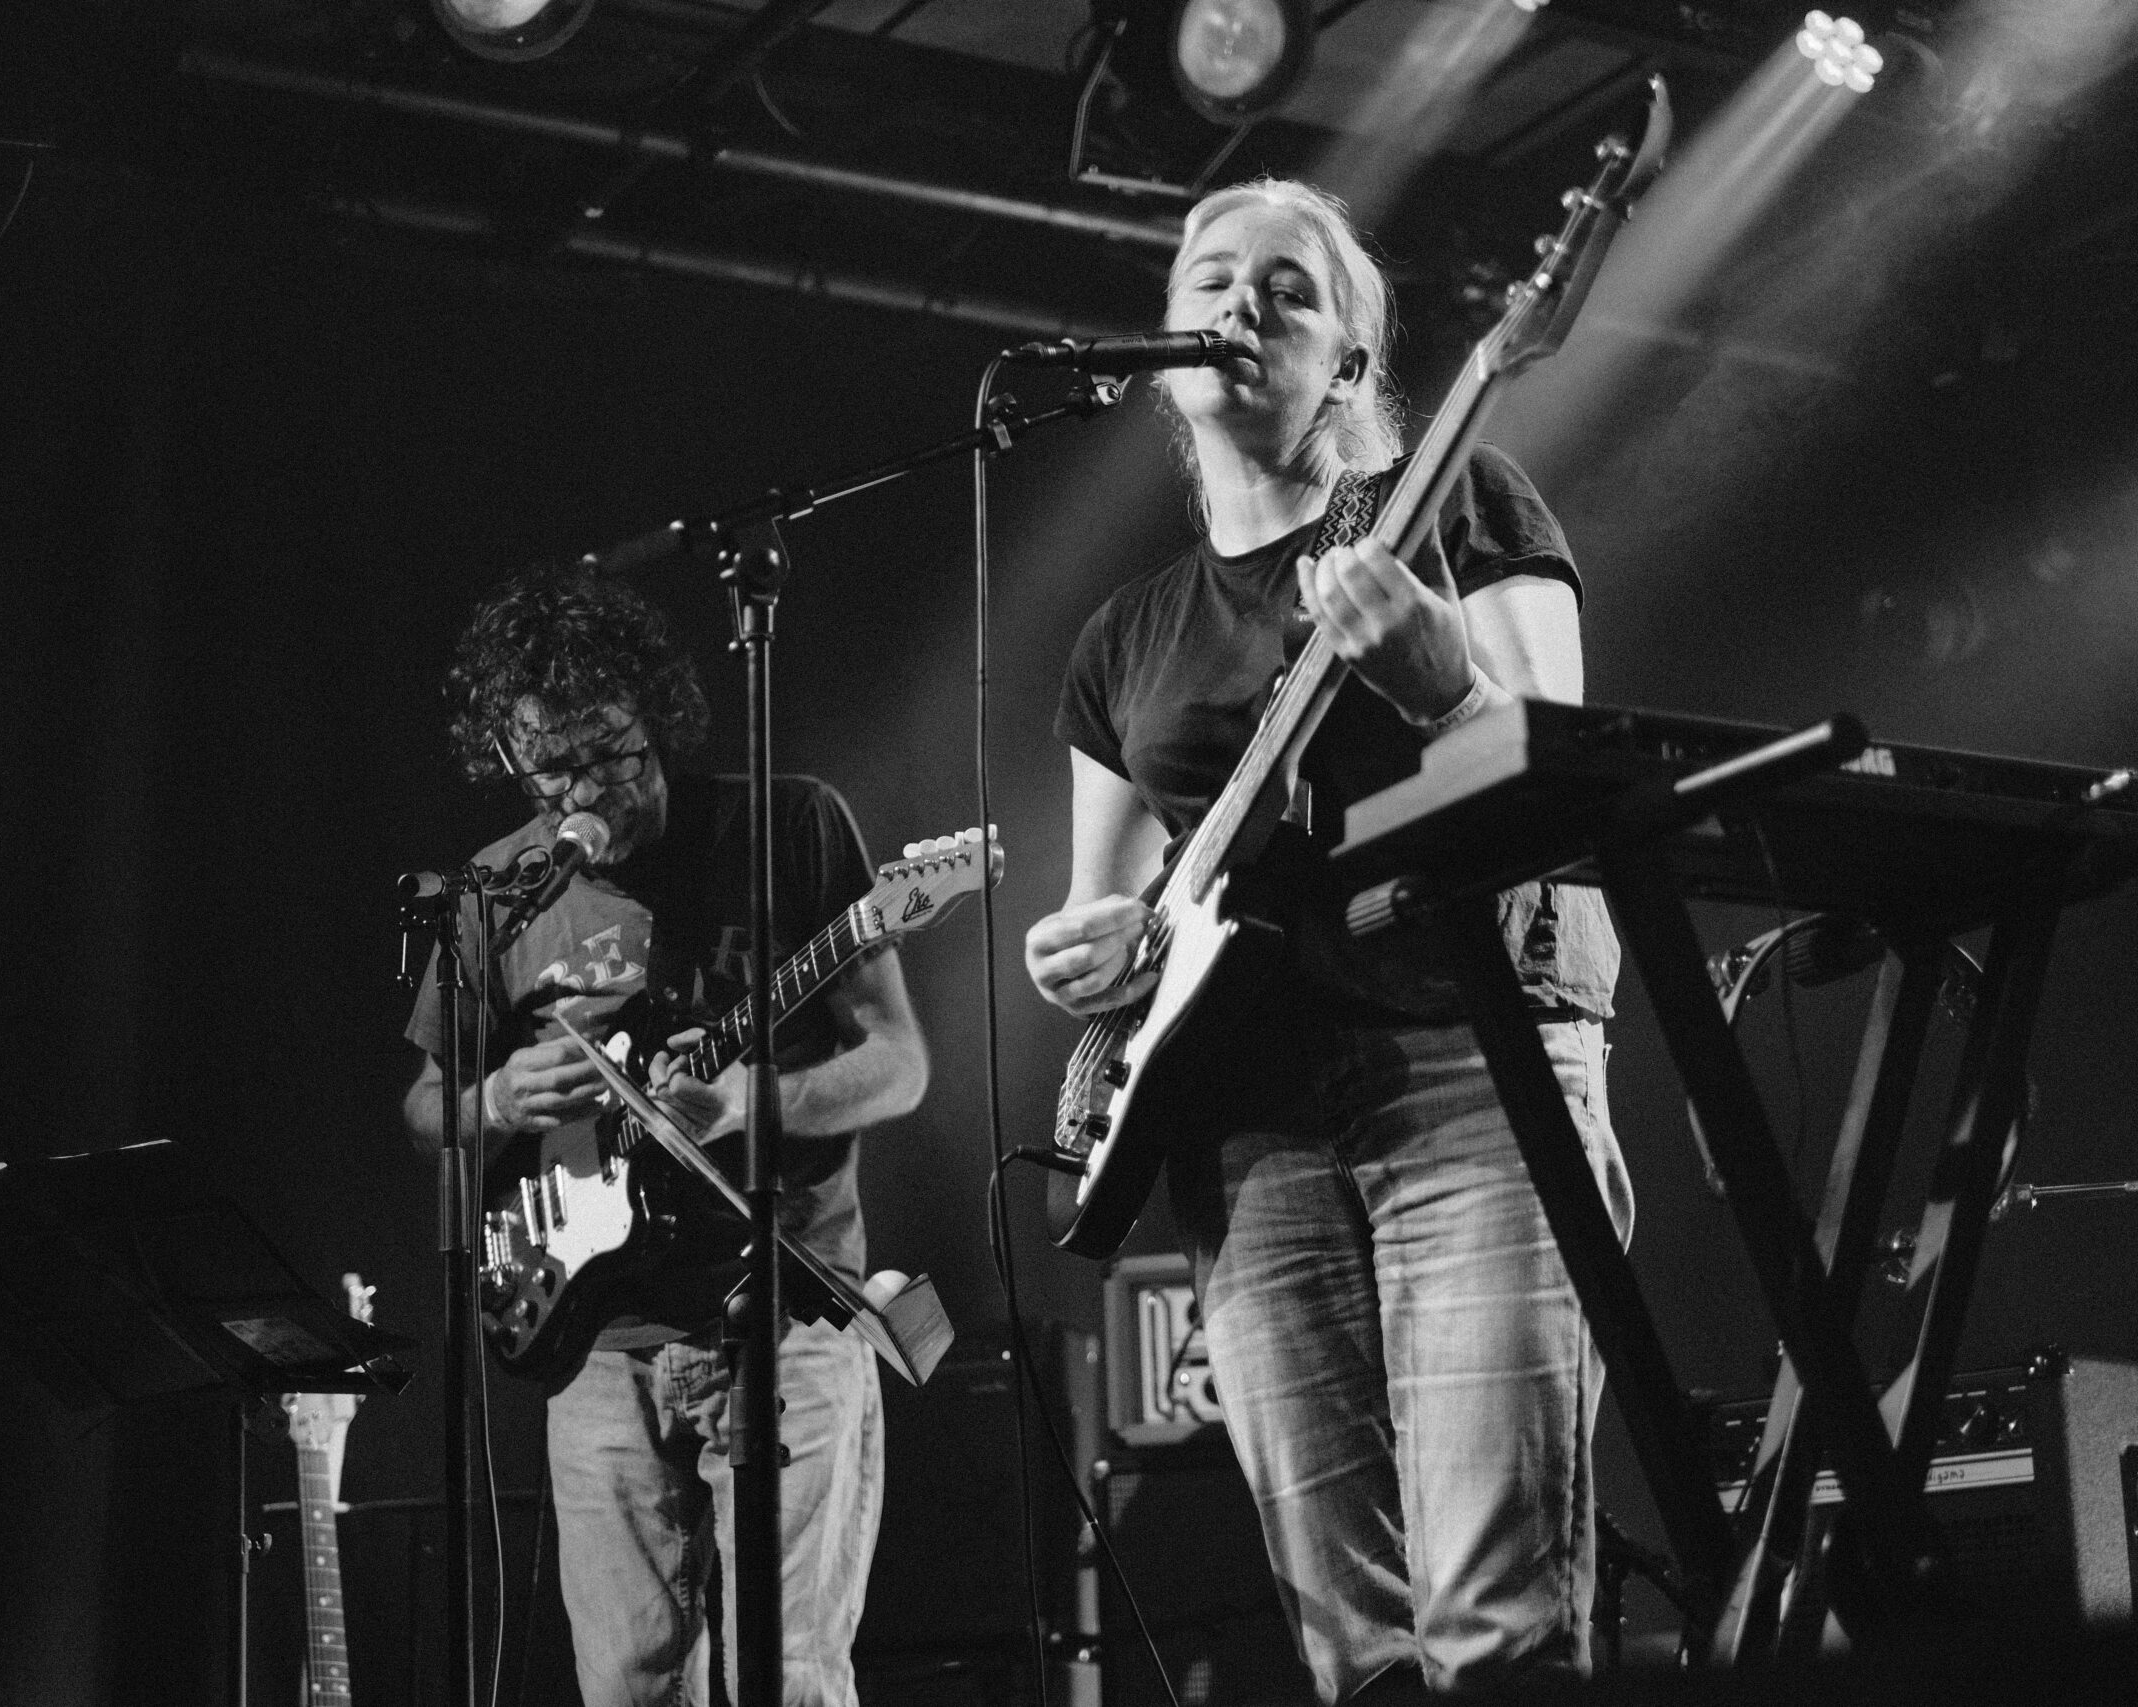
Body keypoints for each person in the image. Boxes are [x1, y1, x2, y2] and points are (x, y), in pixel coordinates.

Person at [1022, 180, 1630, 1703]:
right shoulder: (1123, 638)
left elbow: (1568, 787)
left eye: (1288, 289)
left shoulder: (1457, 503)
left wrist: (1444, 686)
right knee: (1353, 1643)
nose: (1241, 304)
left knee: (1495, 1614)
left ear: (1349, 361)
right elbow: (1117, 917)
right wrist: (1087, 956)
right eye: (1211, 280)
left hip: (1468, 1054)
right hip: (1242, 1120)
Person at [403, 565, 928, 1707]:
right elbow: (427, 1105)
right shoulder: (495, 891)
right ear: (509, 759)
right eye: (553, 769)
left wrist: (750, 1105)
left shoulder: (788, 823)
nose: (590, 790)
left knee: (787, 1680)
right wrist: (500, 1101)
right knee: (626, 1686)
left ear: (655, 715)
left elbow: (900, 1063)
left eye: (612, 754)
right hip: (593, 1333)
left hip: (783, 1310)